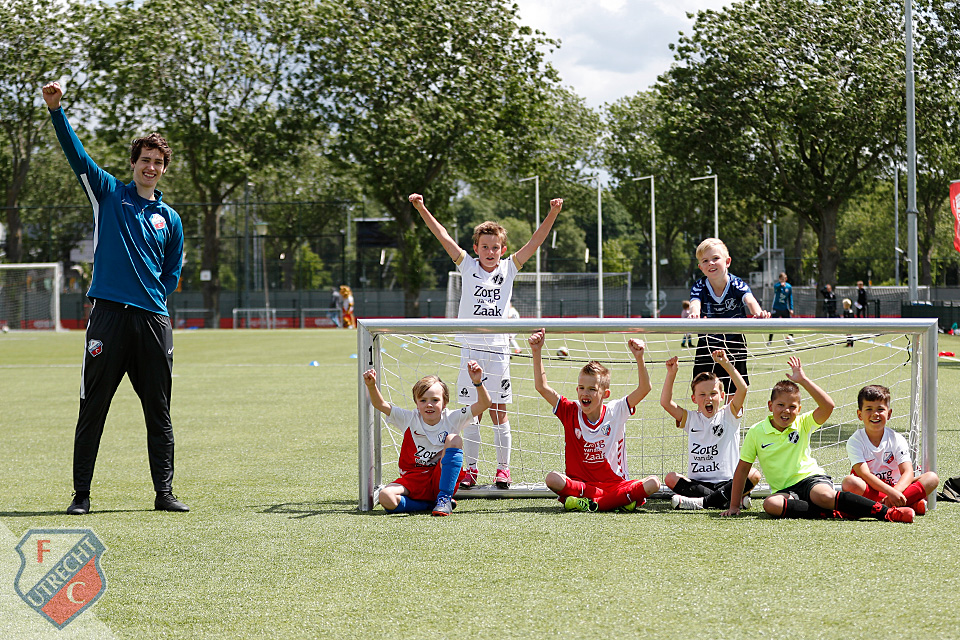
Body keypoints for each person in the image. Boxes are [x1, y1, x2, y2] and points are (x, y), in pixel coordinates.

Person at [43, 81, 188, 515]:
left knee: (159, 413)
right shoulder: (108, 195)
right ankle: (81, 495)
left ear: (164, 169)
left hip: (152, 323)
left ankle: (164, 494)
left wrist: (151, 303)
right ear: (133, 163)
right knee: (93, 409)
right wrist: (56, 110)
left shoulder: (171, 218)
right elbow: (77, 155)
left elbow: (172, 273)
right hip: (106, 318)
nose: (151, 167)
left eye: (158, 162)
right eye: (145, 160)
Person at [409, 192, 563, 489]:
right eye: (485, 247)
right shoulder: (467, 266)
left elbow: (535, 241)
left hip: (498, 352)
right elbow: (442, 235)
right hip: (471, 352)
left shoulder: (509, 268)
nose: (490, 252)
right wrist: (422, 208)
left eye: (495, 247)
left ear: (502, 249)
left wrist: (552, 214)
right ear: (476, 249)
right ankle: (472, 469)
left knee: (499, 413)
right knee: (471, 416)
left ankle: (503, 470)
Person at [721, 357, 914, 523]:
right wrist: (734, 505)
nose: (786, 411)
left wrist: (803, 380)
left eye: (792, 406)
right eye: (780, 405)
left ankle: (887, 513)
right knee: (770, 504)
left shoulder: (803, 423)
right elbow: (743, 469)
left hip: (812, 480)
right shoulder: (756, 432)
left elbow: (828, 406)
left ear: (799, 409)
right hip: (785, 490)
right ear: (770, 406)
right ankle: (831, 512)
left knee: (823, 495)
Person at [528, 328, 660, 512]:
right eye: (581, 387)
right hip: (582, 486)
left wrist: (639, 357)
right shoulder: (570, 411)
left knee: (654, 483)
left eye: (591, 389)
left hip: (614, 485)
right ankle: (616, 502)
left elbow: (645, 388)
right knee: (552, 479)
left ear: (605, 393)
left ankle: (589, 503)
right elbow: (541, 387)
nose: (585, 393)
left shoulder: (617, 410)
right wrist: (537, 350)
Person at [362, 362, 491, 515]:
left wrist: (478, 382)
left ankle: (444, 498)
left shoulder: (452, 418)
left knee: (454, 439)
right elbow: (380, 404)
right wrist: (371, 385)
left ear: (445, 403)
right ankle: (428, 505)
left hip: (441, 476)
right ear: (416, 403)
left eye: (435, 400)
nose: (429, 404)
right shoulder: (409, 418)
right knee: (386, 497)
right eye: (423, 400)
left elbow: (485, 403)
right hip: (414, 478)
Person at [660, 350, 762, 510]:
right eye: (702, 394)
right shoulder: (691, 418)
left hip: (728, 481)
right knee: (670, 478)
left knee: (754, 474)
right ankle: (726, 500)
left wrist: (725, 363)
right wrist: (671, 373)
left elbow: (742, 389)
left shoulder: (730, 414)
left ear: (722, 396)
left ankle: (702, 503)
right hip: (698, 483)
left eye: (713, 393)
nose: (708, 398)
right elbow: (666, 402)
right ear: (694, 399)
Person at [686, 238, 769, 395]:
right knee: (703, 388)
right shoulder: (699, 286)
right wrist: (694, 313)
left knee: (735, 389)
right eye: (705, 260)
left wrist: (758, 312)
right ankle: (704, 419)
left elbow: (750, 300)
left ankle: (731, 420)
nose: (711, 263)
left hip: (734, 344)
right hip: (707, 344)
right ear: (700, 267)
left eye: (715, 258)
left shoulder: (737, 284)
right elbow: (694, 302)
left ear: (728, 261)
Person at [841, 385, 939, 515]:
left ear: (889, 414)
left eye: (880, 409)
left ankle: (884, 507)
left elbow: (908, 472)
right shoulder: (855, 441)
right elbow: (865, 474)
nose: (875, 414)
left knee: (931, 478)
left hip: (898, 488)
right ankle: (907, 504)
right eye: (869, 409)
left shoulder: (896, 438)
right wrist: (890, 493)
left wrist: (896, 491)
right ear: (859, 414)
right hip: (872, 490)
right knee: (850, 482)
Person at [767, 271, 794, 345]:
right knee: (773, 324)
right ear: (779, 279)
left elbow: (790, 298)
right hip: (776, 308)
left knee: (789, 323)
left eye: (784, 279)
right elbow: (776, 288)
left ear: (786, 279)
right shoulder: (777, 286)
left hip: (784, 308)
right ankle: (770, 340)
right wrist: (780, 285)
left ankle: (791, 339)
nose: (782, 280)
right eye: (781, 279)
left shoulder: (789, 287)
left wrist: (791, 308)